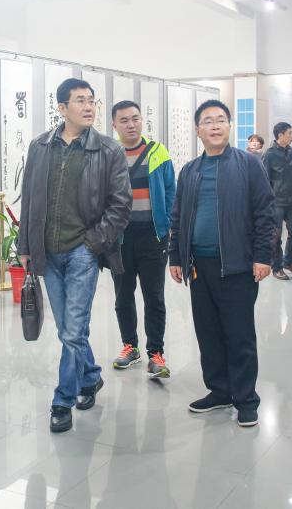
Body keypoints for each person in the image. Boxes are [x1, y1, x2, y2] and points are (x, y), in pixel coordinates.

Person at [17, 78, 132, 434]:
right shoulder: (40, 146)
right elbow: (29, 198)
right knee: (68, 329)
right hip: (47, 253)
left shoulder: (108, 150)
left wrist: (93, 243)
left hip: (83, 251)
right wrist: (25, 247)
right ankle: (90, 376)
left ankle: (62, 400)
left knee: (73, 328)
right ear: (62, 108)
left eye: (91, 100)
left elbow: (121, 205)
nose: (88, 107)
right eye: (80, 100)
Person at [168, 100, 276, 428]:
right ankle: (219, 391)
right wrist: (176, 256)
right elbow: (178, 216)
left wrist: (263, 256)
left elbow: (265, 212)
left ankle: (246, 399)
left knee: (239, 335)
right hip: (199, 266)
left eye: (220, 120)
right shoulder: (190, 170)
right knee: (208, 333)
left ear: (230, 126)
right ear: (198, 130)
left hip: (237, 265)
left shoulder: (248, 164)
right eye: (208, 121)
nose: (215, 126)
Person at [109, 100, 176, 378]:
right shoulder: (109, 154)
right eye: (124, 120)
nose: (131, 125)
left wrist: (166, 226)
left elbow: (171, 191)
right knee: (123, 296)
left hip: (152, 236)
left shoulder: (159, 152)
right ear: (114, 125)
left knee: (154, 296)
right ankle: (130, 346)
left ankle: (156, 353)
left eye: (135, 118)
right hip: (120, 239)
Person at [262, 122, 292, 280]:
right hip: (276, 202)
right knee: (275, 236)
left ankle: (288, 262)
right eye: (289, 133)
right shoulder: (269, 154)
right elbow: (264, 180)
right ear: (280, 135)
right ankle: (277, 267)